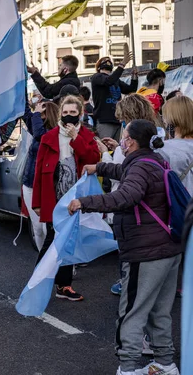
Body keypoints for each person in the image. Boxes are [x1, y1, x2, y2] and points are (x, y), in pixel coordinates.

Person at [69, 120, 181, 375]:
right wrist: (98, 167)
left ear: (130, 141)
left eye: (124, 137)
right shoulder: (154, 161)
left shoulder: (140, 167)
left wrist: (83, 202)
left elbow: (125, 196)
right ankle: (165, 363)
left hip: (145, 250)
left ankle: (128, 367)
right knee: (159, 311)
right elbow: (125, 172)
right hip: (168, 248)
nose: (121, 141)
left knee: (132, 310)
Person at [32, 95, 100, 301]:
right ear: (60, 113)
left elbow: (93, 159)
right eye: (65, 112)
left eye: (73, 113)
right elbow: (38, 173)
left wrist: (76, 139)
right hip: (54, 196)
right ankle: (38, 279)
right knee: (53, 238)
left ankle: (64, 285)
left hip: (77, 197)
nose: (69, 116)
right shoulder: (49, 137)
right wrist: (36, 203)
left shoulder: (86, 136)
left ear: (80, 113)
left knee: (70, 240)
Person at [100, 94, 161, 297]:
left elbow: (121, 175)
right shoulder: (156, 136)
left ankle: (128, 285)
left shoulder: (130, 148)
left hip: (131, 212)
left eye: (122, 118)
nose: (120, 122)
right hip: (154, 209)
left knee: (129, 255)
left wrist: (104, 154)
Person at [22, 98, 61, 251]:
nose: (35, 114)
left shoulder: (55, 134)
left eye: (39, 113)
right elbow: (25, 114)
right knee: (37, 229)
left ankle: (59, 262)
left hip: (49, 187)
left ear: (47, 114)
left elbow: (40, 136)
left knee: (48, 229)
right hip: (30, 185)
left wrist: (36, 115)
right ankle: (43, 262)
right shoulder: (37, 126)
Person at [91, 53, 139, 140]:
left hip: (118, 119)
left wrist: (134, 77)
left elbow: (130, 90)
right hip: (105, 120)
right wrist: (122, 65)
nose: (108, 62)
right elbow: (108, 81)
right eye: (104, 61)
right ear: (99, 67)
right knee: (105, 145)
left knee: (117, 148)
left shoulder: (116, 80)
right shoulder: (97, 77)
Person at [159, 96, 193, 194]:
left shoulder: (164, 149)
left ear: (173, 120)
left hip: (178, 206)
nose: (164, 122)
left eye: (164, 117)